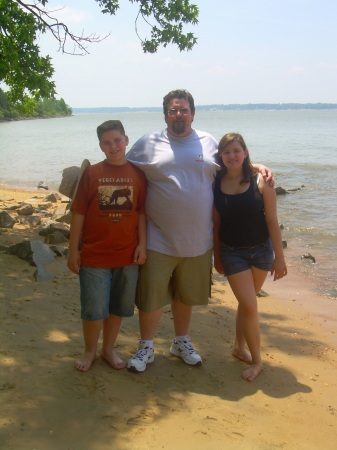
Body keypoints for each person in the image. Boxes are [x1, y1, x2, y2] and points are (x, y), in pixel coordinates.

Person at [125, 89, 274, 373]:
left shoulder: (208, 142)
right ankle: (145, 347)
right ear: (165, 114)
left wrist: (256, 166)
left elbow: (231, 166)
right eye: (172, 110)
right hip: (158, 239)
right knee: (151, 297)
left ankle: (181, 342)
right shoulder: (149, 143)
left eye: (183, 109)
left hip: (199, 242)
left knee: (185, 296)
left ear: (193, 113)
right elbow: (125, 168)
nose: (178, 114)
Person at [67, 120, 147, 372]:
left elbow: (142, 213)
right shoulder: (92, 173)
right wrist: (73, 250)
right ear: (101, 146)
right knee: (94, 308)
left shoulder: (138, 174)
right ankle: (90, 351)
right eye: (107, 142)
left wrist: (143, 245)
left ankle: (108, 350)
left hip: (127, 255)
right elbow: (78, 213)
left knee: (118, 308)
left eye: (117, 140)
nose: (113, 146)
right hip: (94, 255)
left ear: (126, 140)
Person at [213, 132, 287, 381]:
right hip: (232, 252)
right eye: (227, 152)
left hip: (262, 251)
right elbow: (215, 222)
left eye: (236, 150)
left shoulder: (261, 181)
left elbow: (272, 220)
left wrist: (280, 257)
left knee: (247, 304)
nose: (232, 155)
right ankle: (257, 362)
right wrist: (216, 255)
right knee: (250, 305)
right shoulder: (215, 180)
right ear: (220, 155)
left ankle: (238, 347)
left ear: (245, 152)